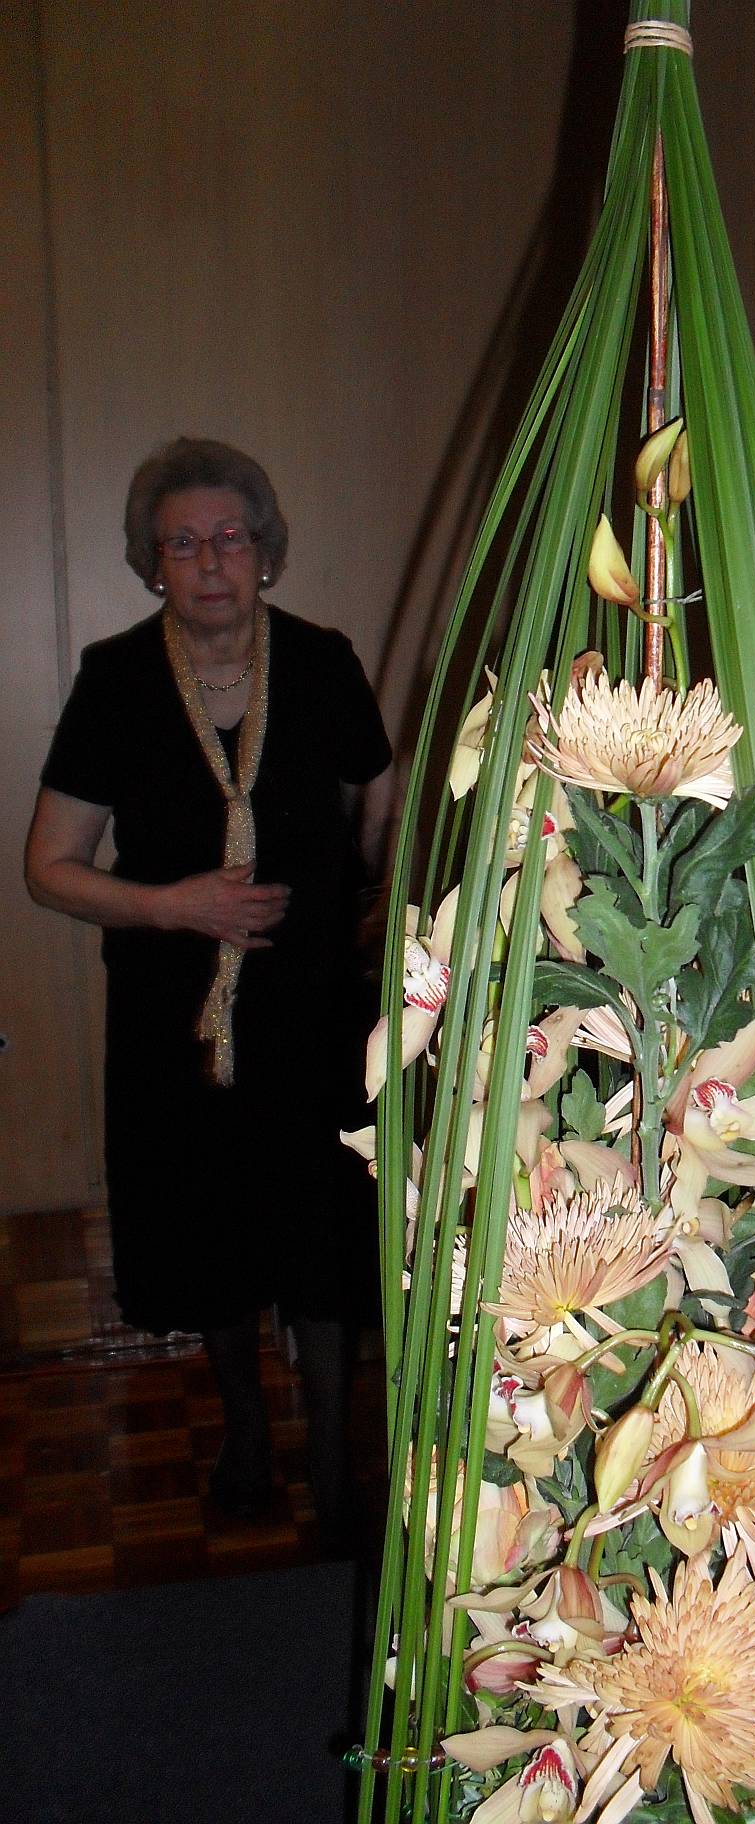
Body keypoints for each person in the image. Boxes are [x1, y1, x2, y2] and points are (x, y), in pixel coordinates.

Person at [25, 437, 394, 1543]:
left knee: (321, 1238)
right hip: (178, 1023)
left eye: (229, 537)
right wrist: (175, 905)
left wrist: (376, 906)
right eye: (181, 544)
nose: (209, 561)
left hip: (316, 1015)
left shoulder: (322, 663)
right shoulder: (116, 681)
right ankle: (244, 1433)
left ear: (265, 550)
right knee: (211, 1235)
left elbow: (383, 801)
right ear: (153, 565)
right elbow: (50, 868)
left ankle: (332, 1466)